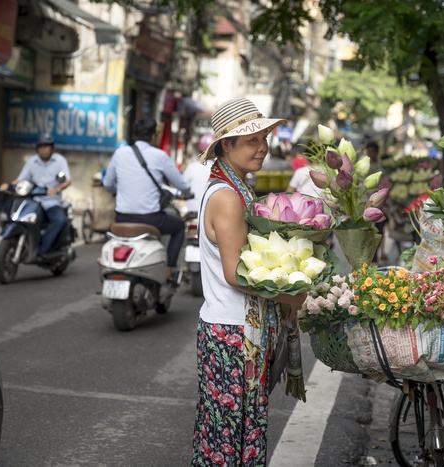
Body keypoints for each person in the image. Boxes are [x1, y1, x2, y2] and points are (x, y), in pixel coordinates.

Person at [192, 97, 306, 466]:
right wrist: (289, 296)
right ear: (226, 145)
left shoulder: (236, 186)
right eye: (251, 140)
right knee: (227, 435)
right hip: (233, 334)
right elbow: (235, 273)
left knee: (237, 429)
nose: (263, 148)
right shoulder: (226, 196)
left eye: (264, 137)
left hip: (241, 331)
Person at [103, 117, 191, 284]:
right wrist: (187, 193)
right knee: (179, 226)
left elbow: (108, 185)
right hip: (151, 220)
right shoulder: (159, 156)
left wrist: (119, 191)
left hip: (121, 218)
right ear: (153, 137)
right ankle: (168, 271)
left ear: (134, 135)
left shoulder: (119, 153)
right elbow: (181, 183)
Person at [9, 133, 71, 256]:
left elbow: (68, 180)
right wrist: (8, 185)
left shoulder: (59, 160)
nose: (44, 149)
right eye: (41, 146)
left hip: (51, 201)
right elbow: (20, 179)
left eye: (46, 146)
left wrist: (57, 189)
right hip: (34, 200)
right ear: (37, 148)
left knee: (60, 220)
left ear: (51, 147)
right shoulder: (32, 161)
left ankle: (44, 249)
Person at [182, 134, 215, 213]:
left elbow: (182, 186)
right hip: (209, 214)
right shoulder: (218, 169)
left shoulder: (192, 167)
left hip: (192, 212)